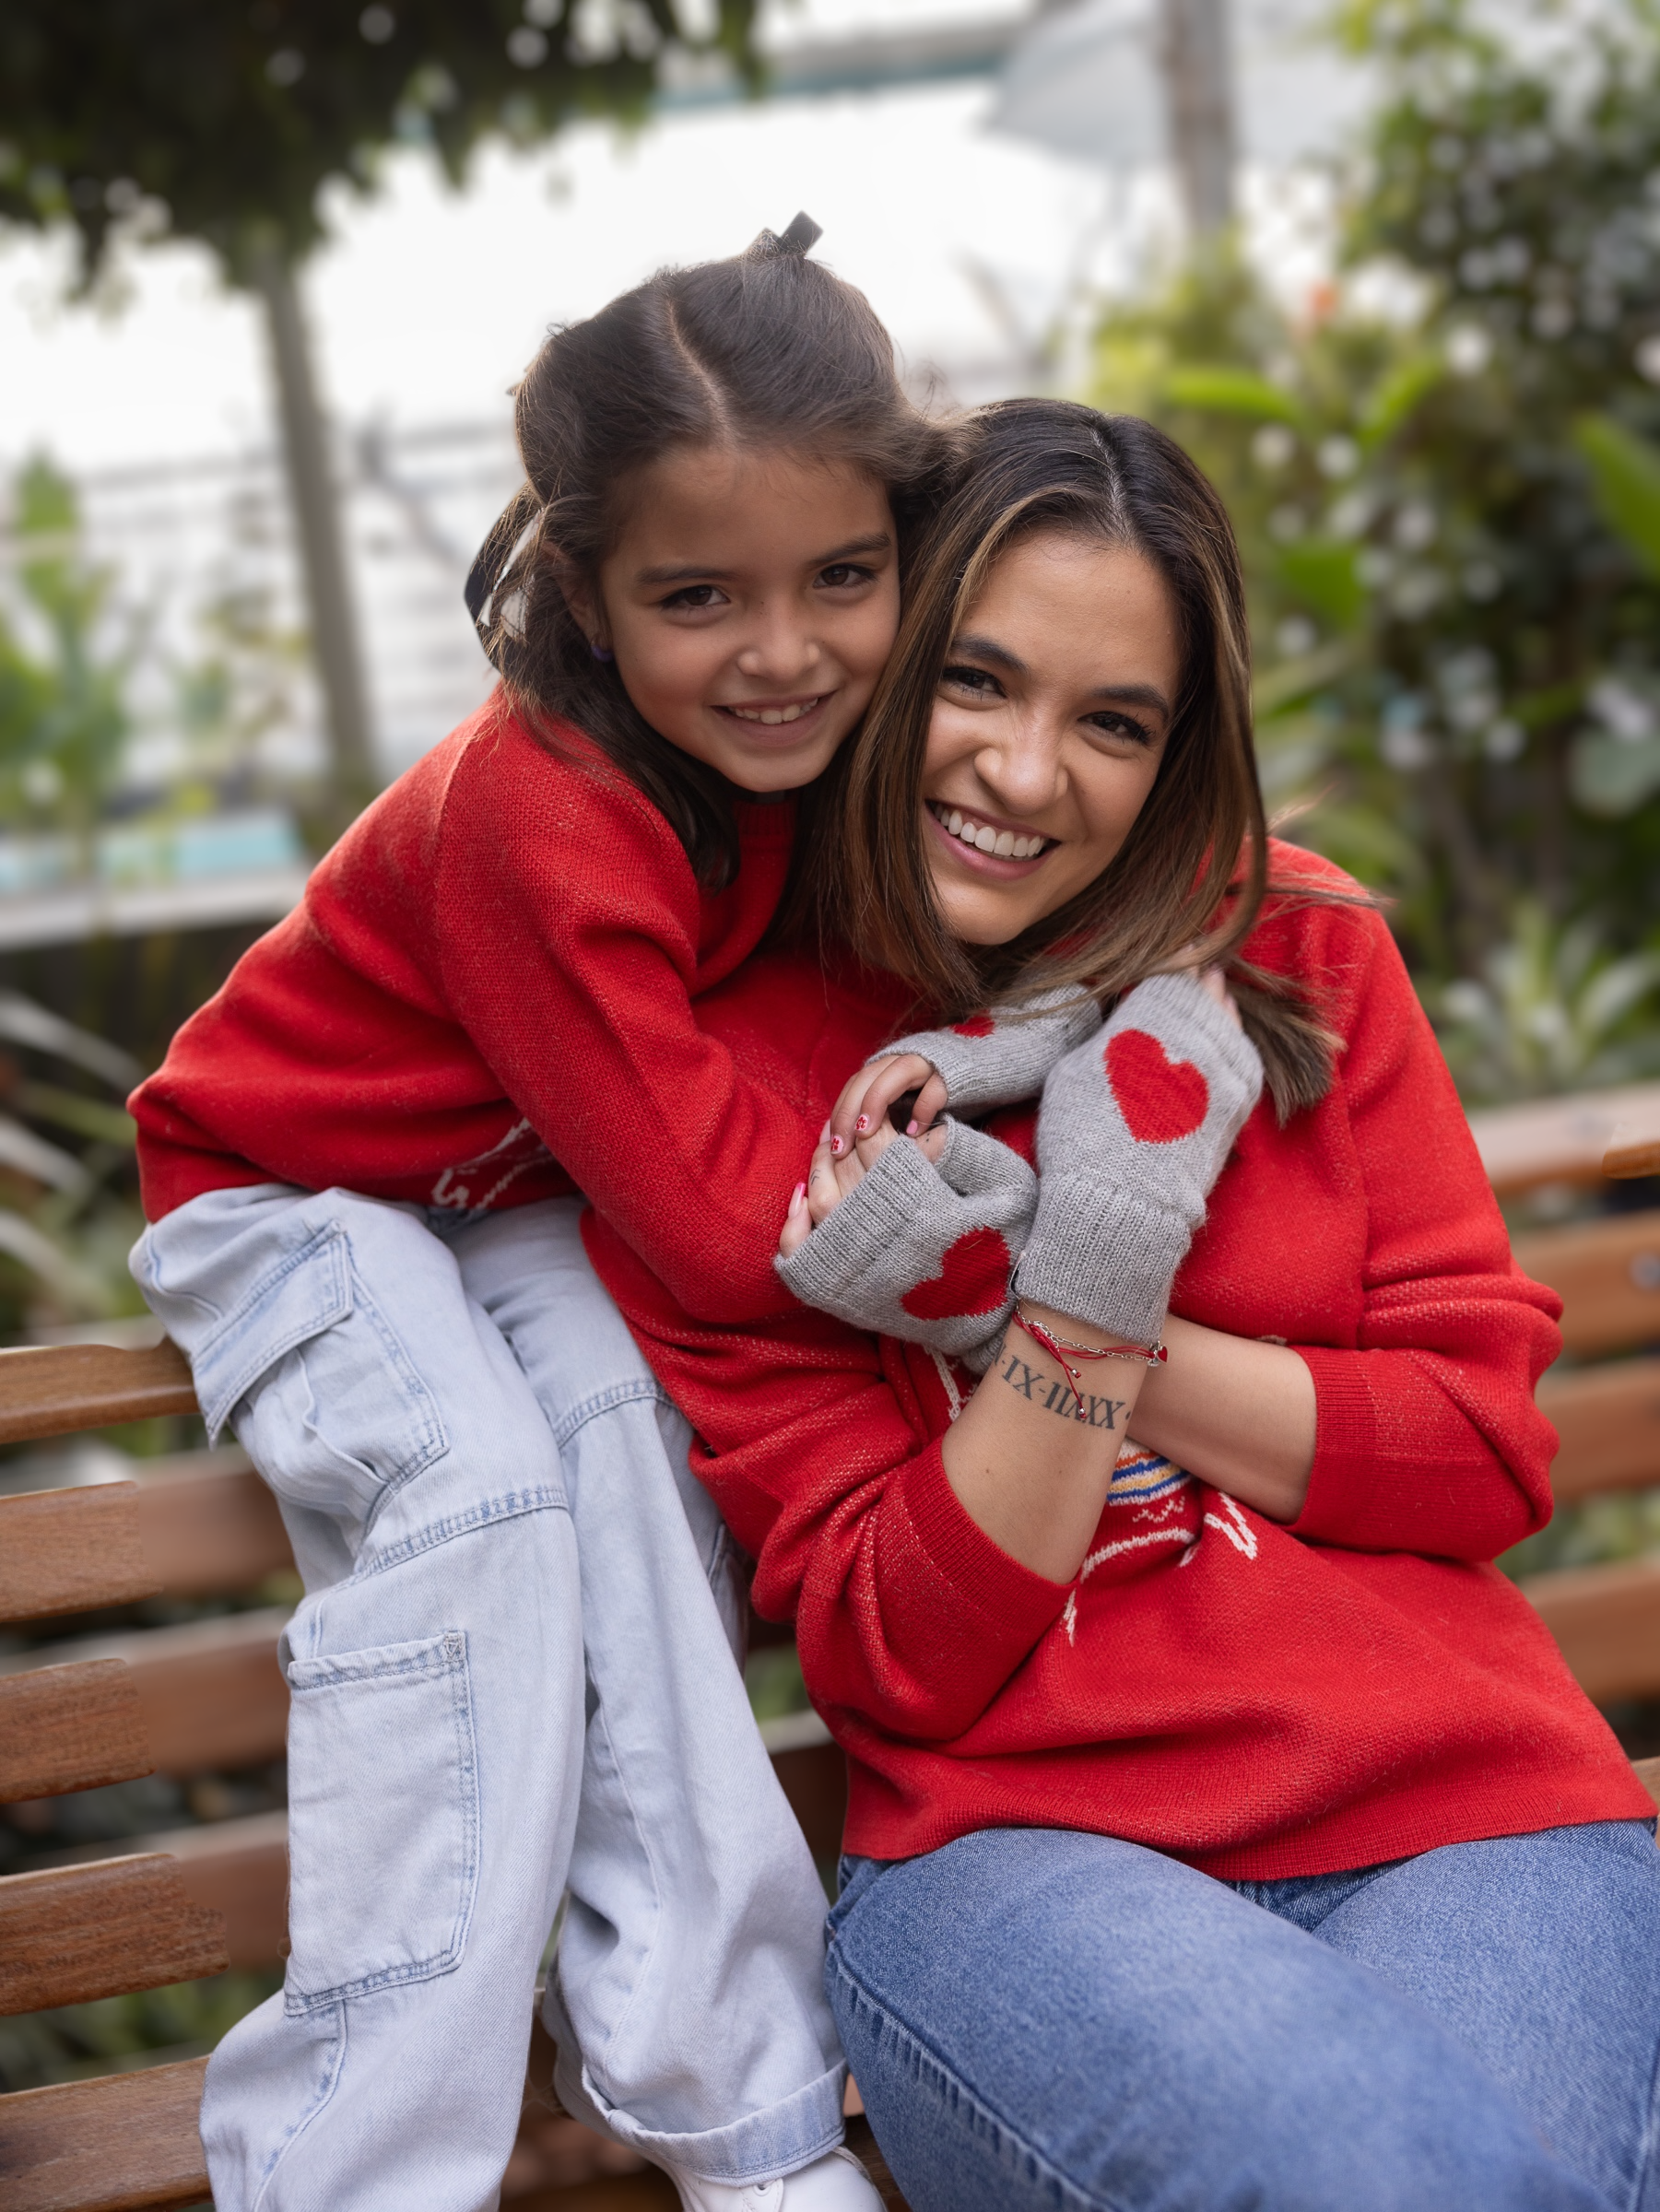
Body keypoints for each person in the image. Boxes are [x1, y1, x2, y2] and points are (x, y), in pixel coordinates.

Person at [582, 397, 1660, 2212]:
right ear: (886, 659)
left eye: (1112, 723)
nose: (1023, 772)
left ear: (1177, 756)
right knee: (1390, 2176)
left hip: (1475, 1813)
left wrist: (1044, 1285)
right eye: (979, 683)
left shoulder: (1298, 955)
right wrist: (1082, 1305)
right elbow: (903, 1651)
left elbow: (1476, 1452)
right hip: (1026, 1871)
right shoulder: (723, 1076)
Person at [126, 218, 959, 2212]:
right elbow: (697, 1211)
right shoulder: (541, 808)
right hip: (287, 1194)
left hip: (498, 1198)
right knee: (487, 1508)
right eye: (701, 596)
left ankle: (748, 2126)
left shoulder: (821, 756)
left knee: (626, 1476)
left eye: (844, 576)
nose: (785, 649)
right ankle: (355, 2175)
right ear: (584, 591)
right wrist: (1005, 1261)